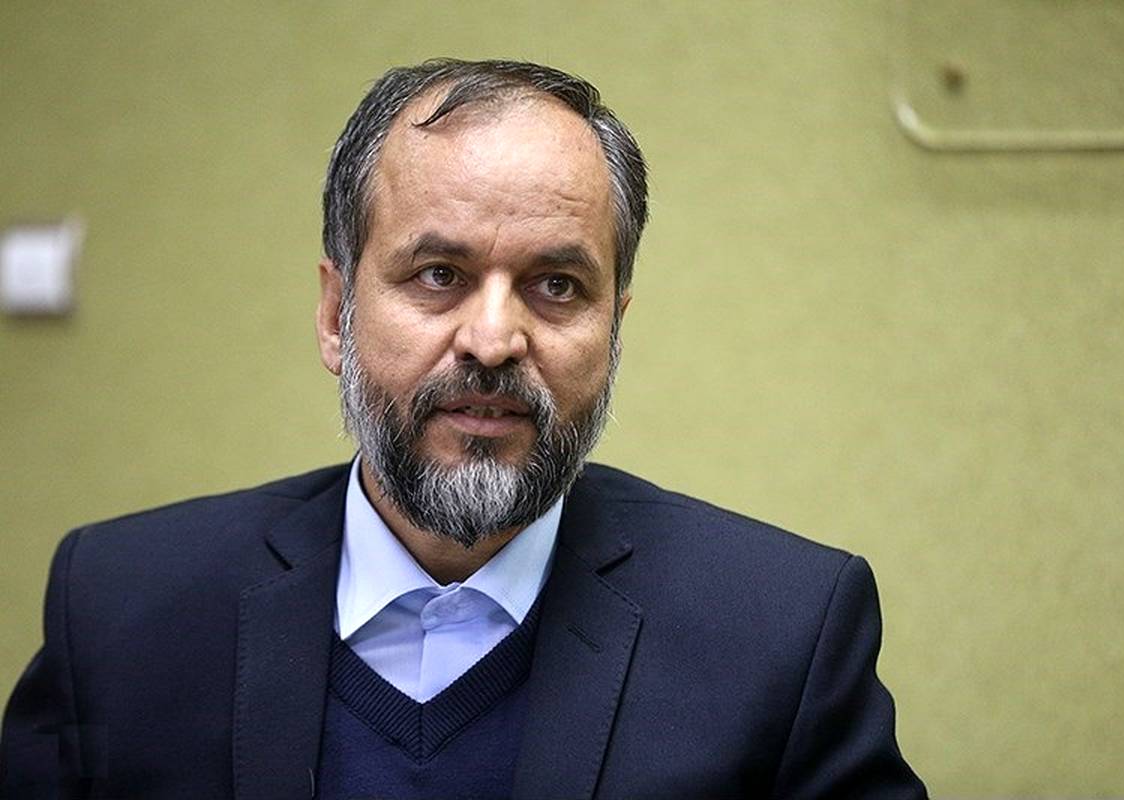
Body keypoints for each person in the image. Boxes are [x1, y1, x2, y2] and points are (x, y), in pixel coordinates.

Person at [0, 59, 926, 799]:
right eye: (438, 275)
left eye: (556, 286)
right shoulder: (120, 609)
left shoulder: (784, 632)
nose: (492, 340)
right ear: (335, 316)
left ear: (613, 330)